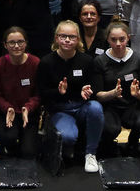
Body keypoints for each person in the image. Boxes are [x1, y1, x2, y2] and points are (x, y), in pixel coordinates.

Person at [37, 20, 104, 173]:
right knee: (68, 137)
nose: (67, 40)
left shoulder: (86, 60)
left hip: (81, 106)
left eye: (72, 37)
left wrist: (86, 91)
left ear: (78, 39)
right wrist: (58, 92)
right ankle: (66, 143)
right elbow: (42, 94)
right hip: (60, 110)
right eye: (63, 36)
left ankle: (91, 154)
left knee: (96, 108)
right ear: (56, 39)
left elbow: (94, 87)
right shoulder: (46, 62)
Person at [92, 21, 140, 156]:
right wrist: (112, 93)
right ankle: (108, 143)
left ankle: (132, 142)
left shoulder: (138, 59)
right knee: (110, 129)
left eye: (122, 39)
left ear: (128, 38)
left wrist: (137, 94)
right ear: (107, 39)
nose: (118, 44)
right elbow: (98, 95)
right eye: (113, 40)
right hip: (110, 107)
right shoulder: (100, 61)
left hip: (131, 106)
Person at [0, 27, 40, 158]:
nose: (16, 46)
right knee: (8, 139)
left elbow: (39, 94)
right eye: (12, 42)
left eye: (20, 42)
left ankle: (29, 139)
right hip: (7, 114)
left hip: (28, 114)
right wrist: (8, 108)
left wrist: (28, 108)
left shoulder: (35, 63)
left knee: (28, 153)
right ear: (5, 45)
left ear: (26, 43)